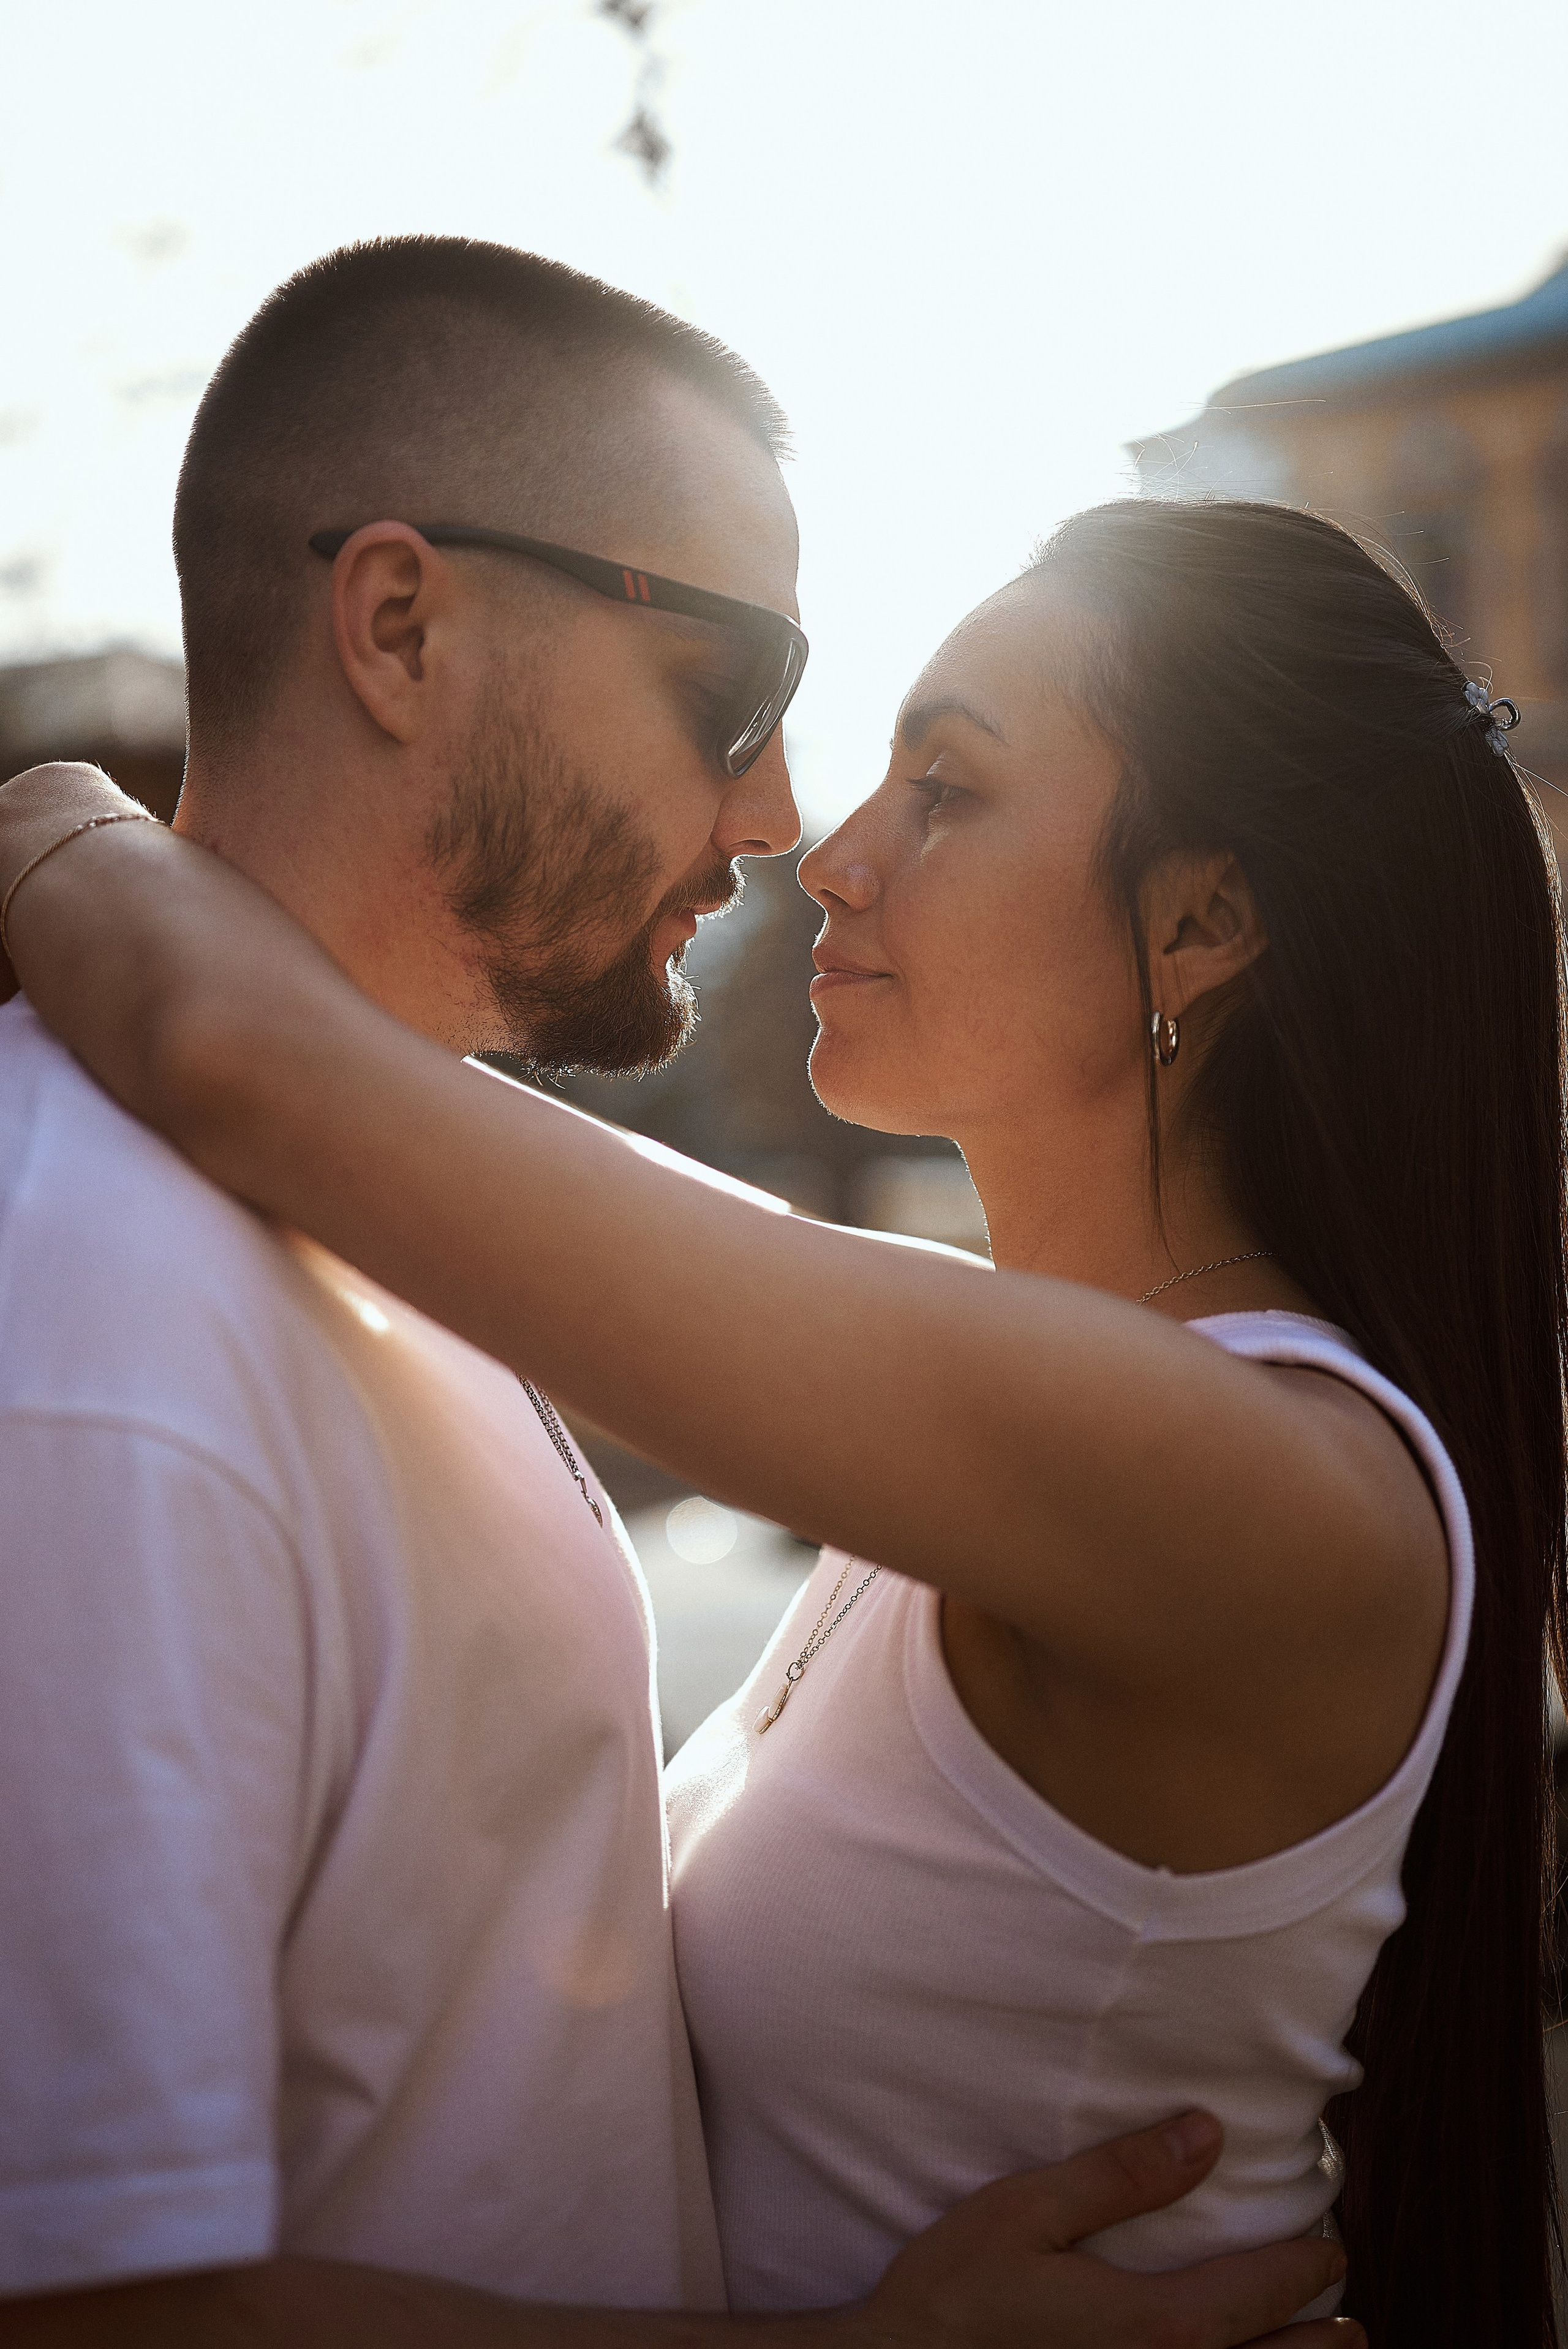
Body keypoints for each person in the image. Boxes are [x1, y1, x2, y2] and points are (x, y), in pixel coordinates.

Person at [4, 497, 1558, 2349]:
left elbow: (233, 1051)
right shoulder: (999, 1398)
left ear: (1205, 914)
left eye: (948, 786)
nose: (829, 854)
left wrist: (53, 812)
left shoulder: (1245, 1476)